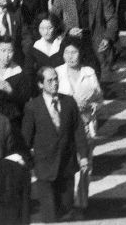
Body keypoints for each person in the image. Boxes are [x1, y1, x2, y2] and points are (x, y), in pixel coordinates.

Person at [22, 65, 90, 222]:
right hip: (44, 166)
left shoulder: (69, 102)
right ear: (40, 84)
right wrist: (29, 161)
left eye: (56, 79)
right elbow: (26, 137)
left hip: (66, 165)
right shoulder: (33, 107)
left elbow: (78, 131)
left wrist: (84, 155)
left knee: (66, 206)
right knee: (49, 211)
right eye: (50, 80)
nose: (55, 83)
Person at [56, 38, 102, 141]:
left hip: (86, 124)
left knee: (86, 155)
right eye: (67, 52)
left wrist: (93, 105)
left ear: (80, 54)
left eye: (74, 52)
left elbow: (99, 99)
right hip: (64, 124)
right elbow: (51, 100)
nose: (70, 56)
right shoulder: (57, 73)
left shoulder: (89, 72)